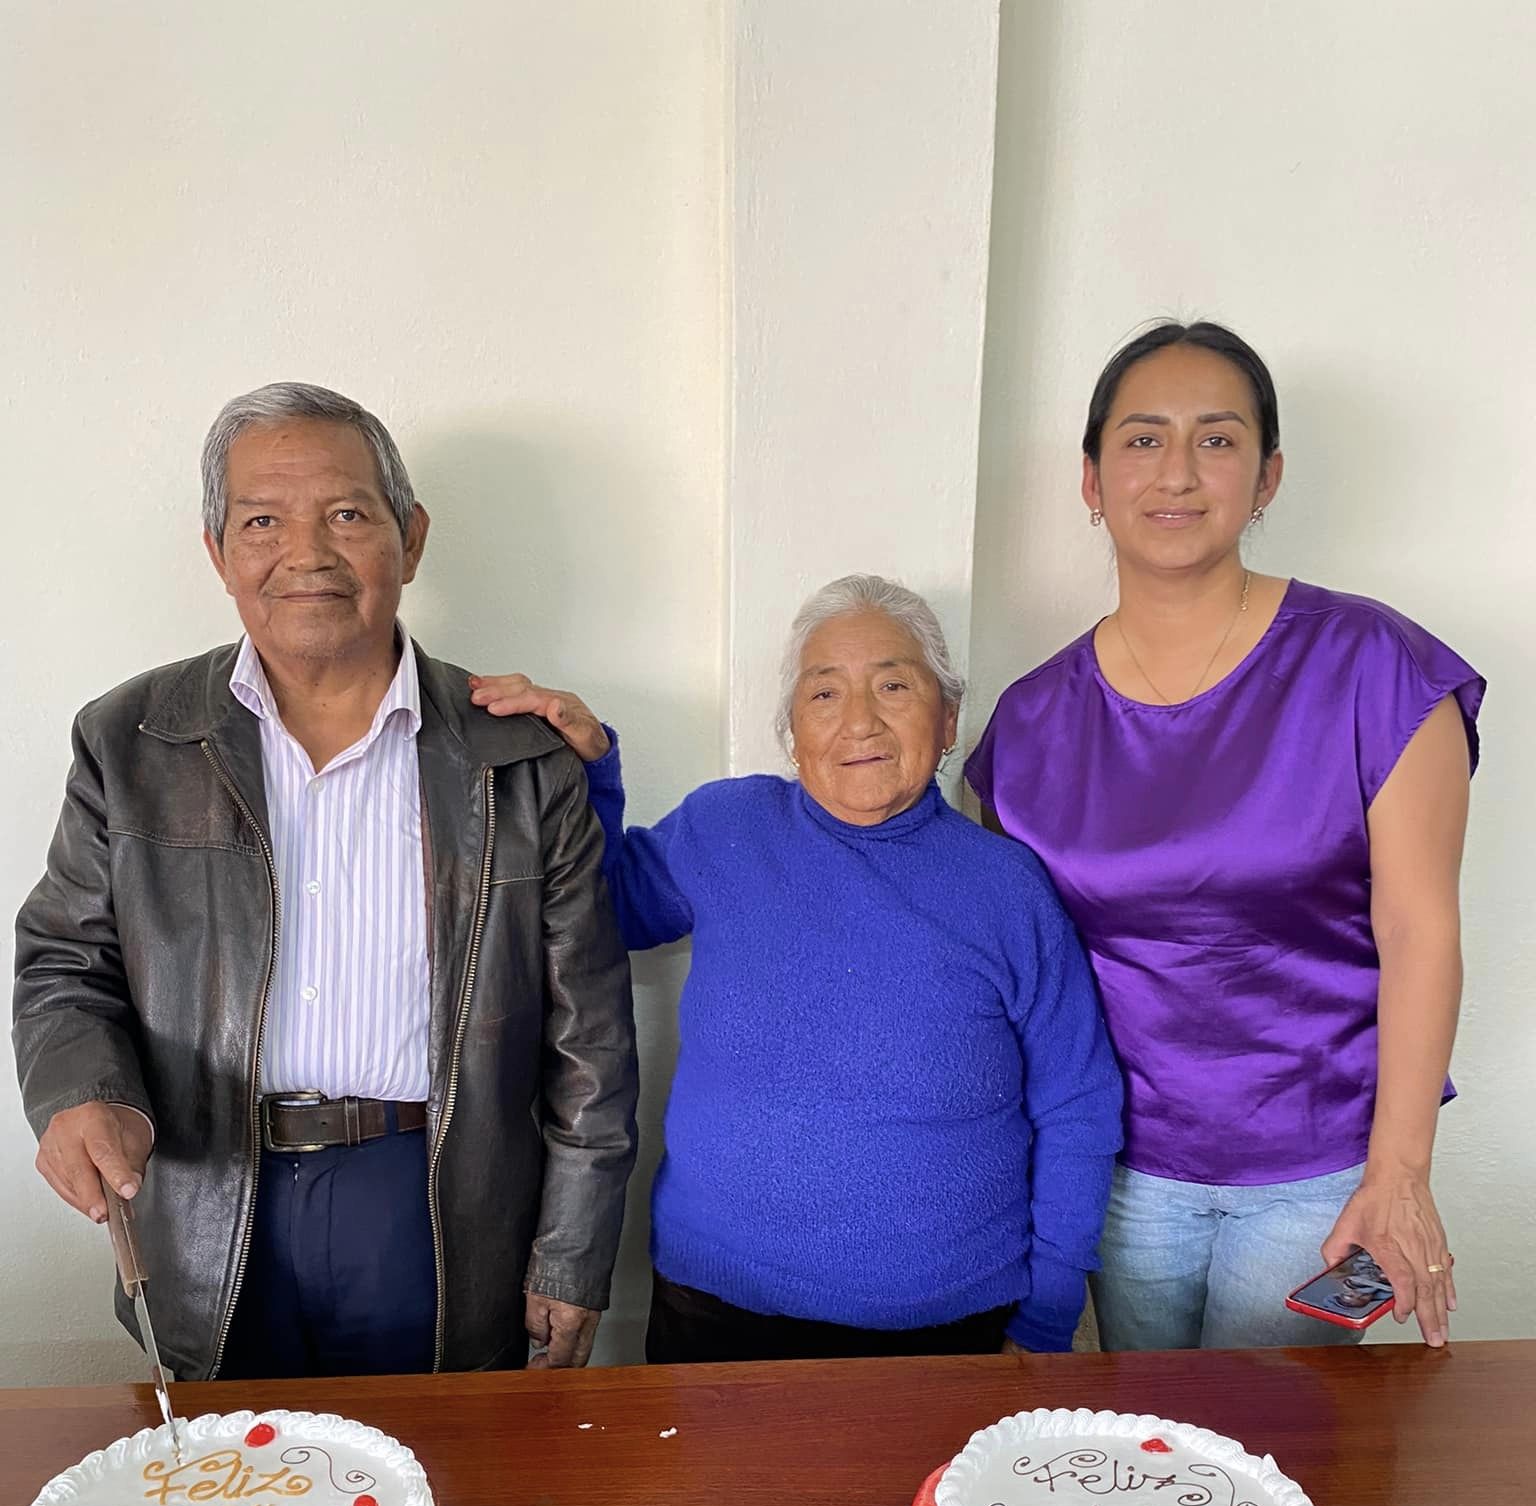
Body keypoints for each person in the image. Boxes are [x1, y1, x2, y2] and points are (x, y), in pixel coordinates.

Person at [14, 382, 637, 1379]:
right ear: (218, 551)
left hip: (439, 1201)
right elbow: (63, 962)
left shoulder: (517, 759)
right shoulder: (130, 740)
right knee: (228, 1472)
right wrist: (83, 1094)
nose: (305, 554)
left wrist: (572, 1249)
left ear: (411, 539)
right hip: (208, 1188)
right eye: (262, 521)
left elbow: (590, 1043)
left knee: (437, 1472)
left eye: (347, 514)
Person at [966, 322, 1483, 1354]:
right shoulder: (1028, 723)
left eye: (1216, 439)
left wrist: (1401, 1173)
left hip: (1326, 1170)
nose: (1177, 472)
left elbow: (1422, 931)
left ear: (1266, 476)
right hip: (1120, 1174)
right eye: (1143, 439)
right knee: (1146, 1439)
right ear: (1091, 478)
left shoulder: (1376, 666)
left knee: (1280, 1442)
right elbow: (1022, 975)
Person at [468, 574, 1123, 1364]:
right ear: (791, 733)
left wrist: (1050, 1312)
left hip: (948, 1322)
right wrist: (591, 768)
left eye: (894, 685)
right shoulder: (725, 827)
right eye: (824, 693)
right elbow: (597, 914)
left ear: (948, 718)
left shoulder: (1008, 888)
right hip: (716, 1309)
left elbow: (1078, 1103)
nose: (860, 720)